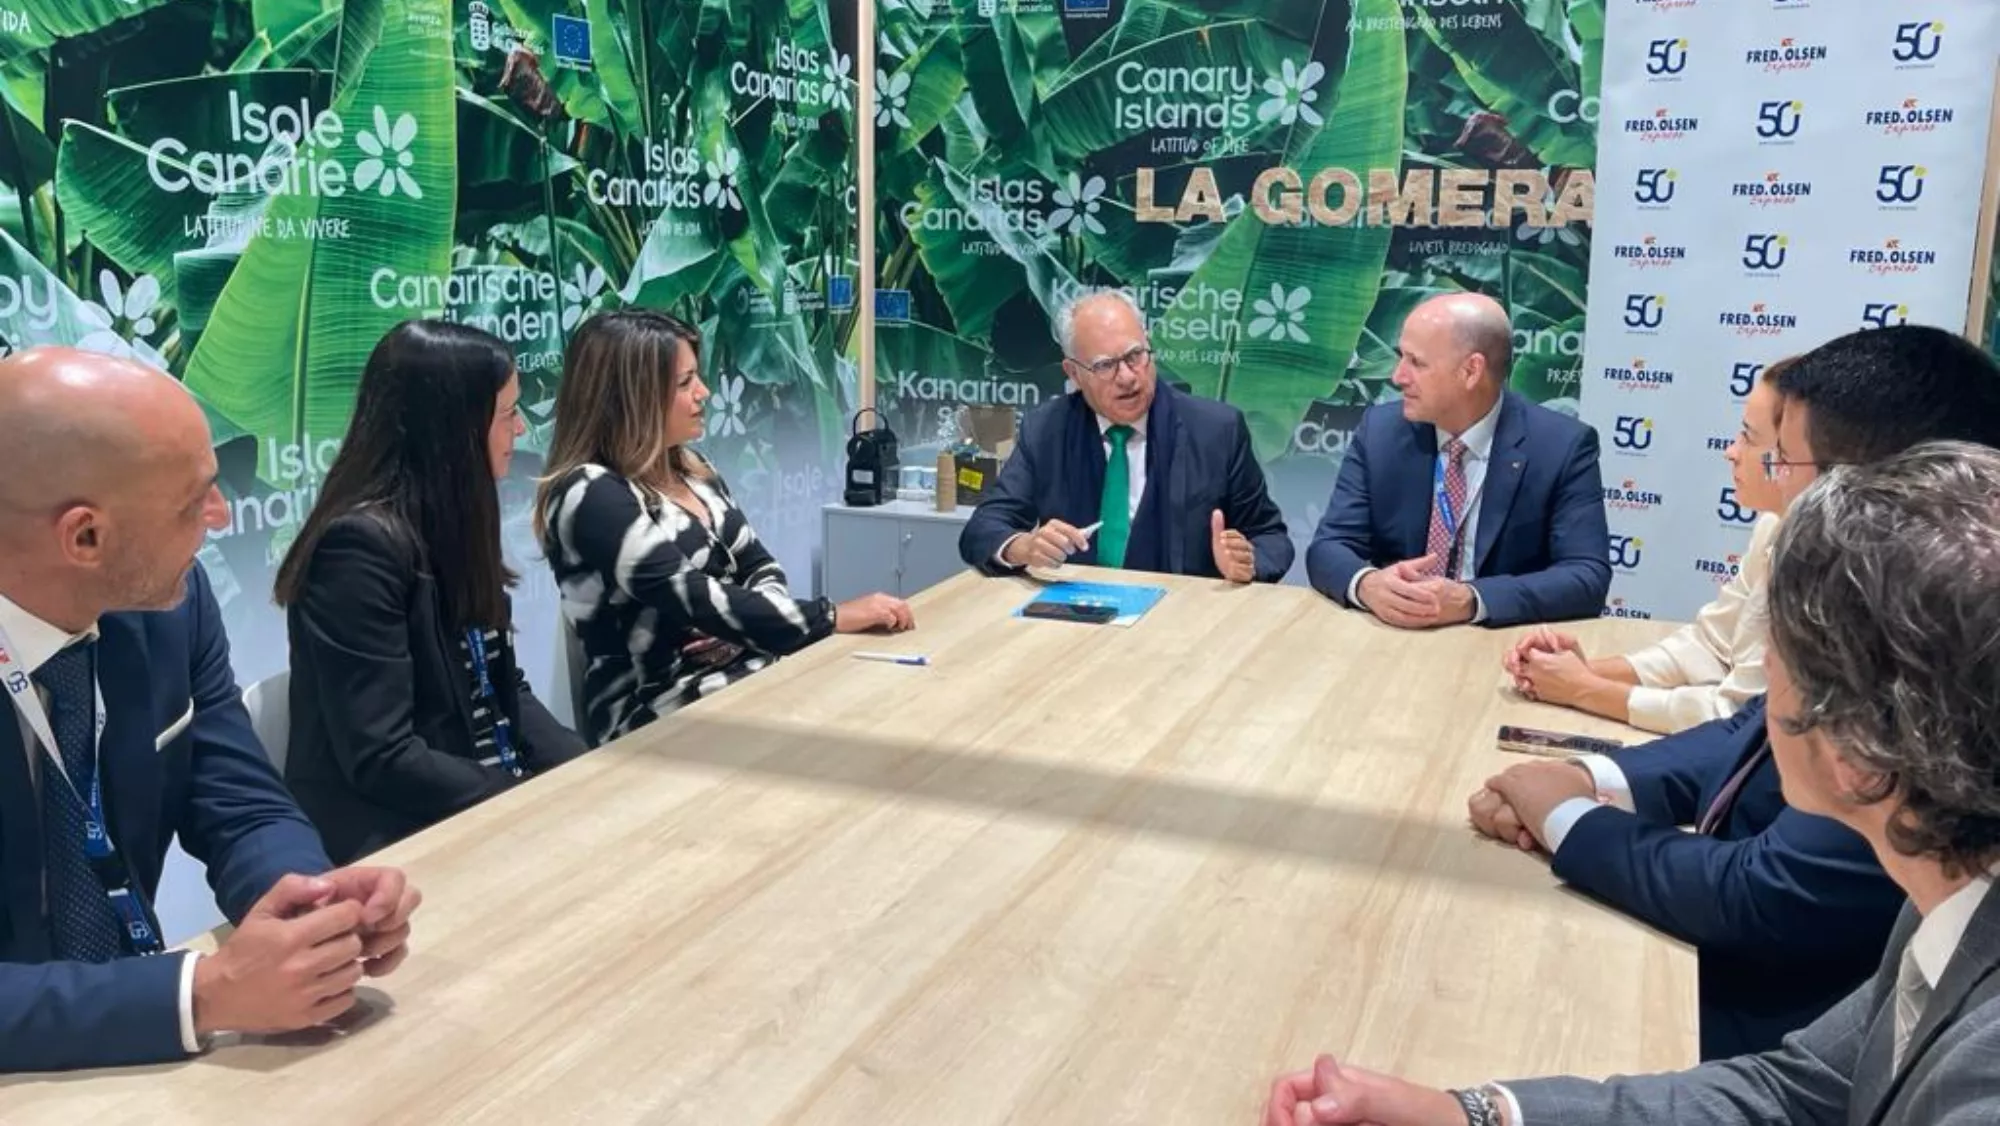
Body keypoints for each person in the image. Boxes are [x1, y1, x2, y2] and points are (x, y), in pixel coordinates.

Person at [1265, 441, 2000, 1126]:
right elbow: (1792, 1091)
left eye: (1776, 654)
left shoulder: (1981, 1078)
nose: (1758, 689)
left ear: (1858, 753)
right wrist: (1468, 1113)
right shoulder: (1949, 898)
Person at [1468, 325, 2000, 1060]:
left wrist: (1563, 815)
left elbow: (1765, 895)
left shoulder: (1930, 666)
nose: (1765, 473)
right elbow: (1747, 725)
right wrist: (1590, 778)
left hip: (1756, 1016)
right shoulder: (1843, 580)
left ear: (1874, 487)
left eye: (1782, 456)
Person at [0, 348, 419, 1072]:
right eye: (193, 501)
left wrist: (307, 902)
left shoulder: (173, 606)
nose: (221, 514)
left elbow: (238, 799)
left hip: (152, 1063)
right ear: (85, 537)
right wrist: (197, 995)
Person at [275, 321, 590, 864]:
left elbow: (502, 686)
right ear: (454, 429)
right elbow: (384, 757)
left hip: (479, 806)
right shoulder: (356, 550)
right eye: (507, 414)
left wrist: (584, 773)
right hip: (398, 839)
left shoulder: (452, 525)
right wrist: (521, 799)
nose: (520, 429)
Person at [536, 309, 913, 745]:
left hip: (749, 676)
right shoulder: (589, 493)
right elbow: (691, 595)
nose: (704, 392)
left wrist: (741, 628)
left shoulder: (694, 469)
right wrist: (830, 616)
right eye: (685, 383)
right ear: (632, 397)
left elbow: (760, 567)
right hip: (659, 713)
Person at [1501, 358, 1795, 733]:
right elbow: (1711, 646)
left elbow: (1741, 720)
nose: (1731, 451)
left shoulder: (1821, 561)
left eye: (1749, 438)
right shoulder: (1773, 523)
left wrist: (1584, 689)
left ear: (1793, 455)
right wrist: (1578, 672)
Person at [1305, 293, 1610, 628]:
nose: (1398, 376)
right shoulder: (1380, 432)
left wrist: (1472, 600)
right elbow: (1330, 546)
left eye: (1416, 362)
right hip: (1394, 634)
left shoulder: (1561, 446)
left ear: (1471, 371)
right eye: (1401, 357)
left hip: (1500, 640)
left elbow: (1586, 576)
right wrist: (1368, 584)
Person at [958, 288, 1292, 582]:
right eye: (1105, 365)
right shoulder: (1047, 430)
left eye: (1135, 356)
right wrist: (1024, 547)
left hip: (1183, 616)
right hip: (1078, 614)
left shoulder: (1216, 431)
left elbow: (1271, 538)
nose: (1128, 377)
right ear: (1074, 373)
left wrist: (1247, 563)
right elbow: (983, 528)